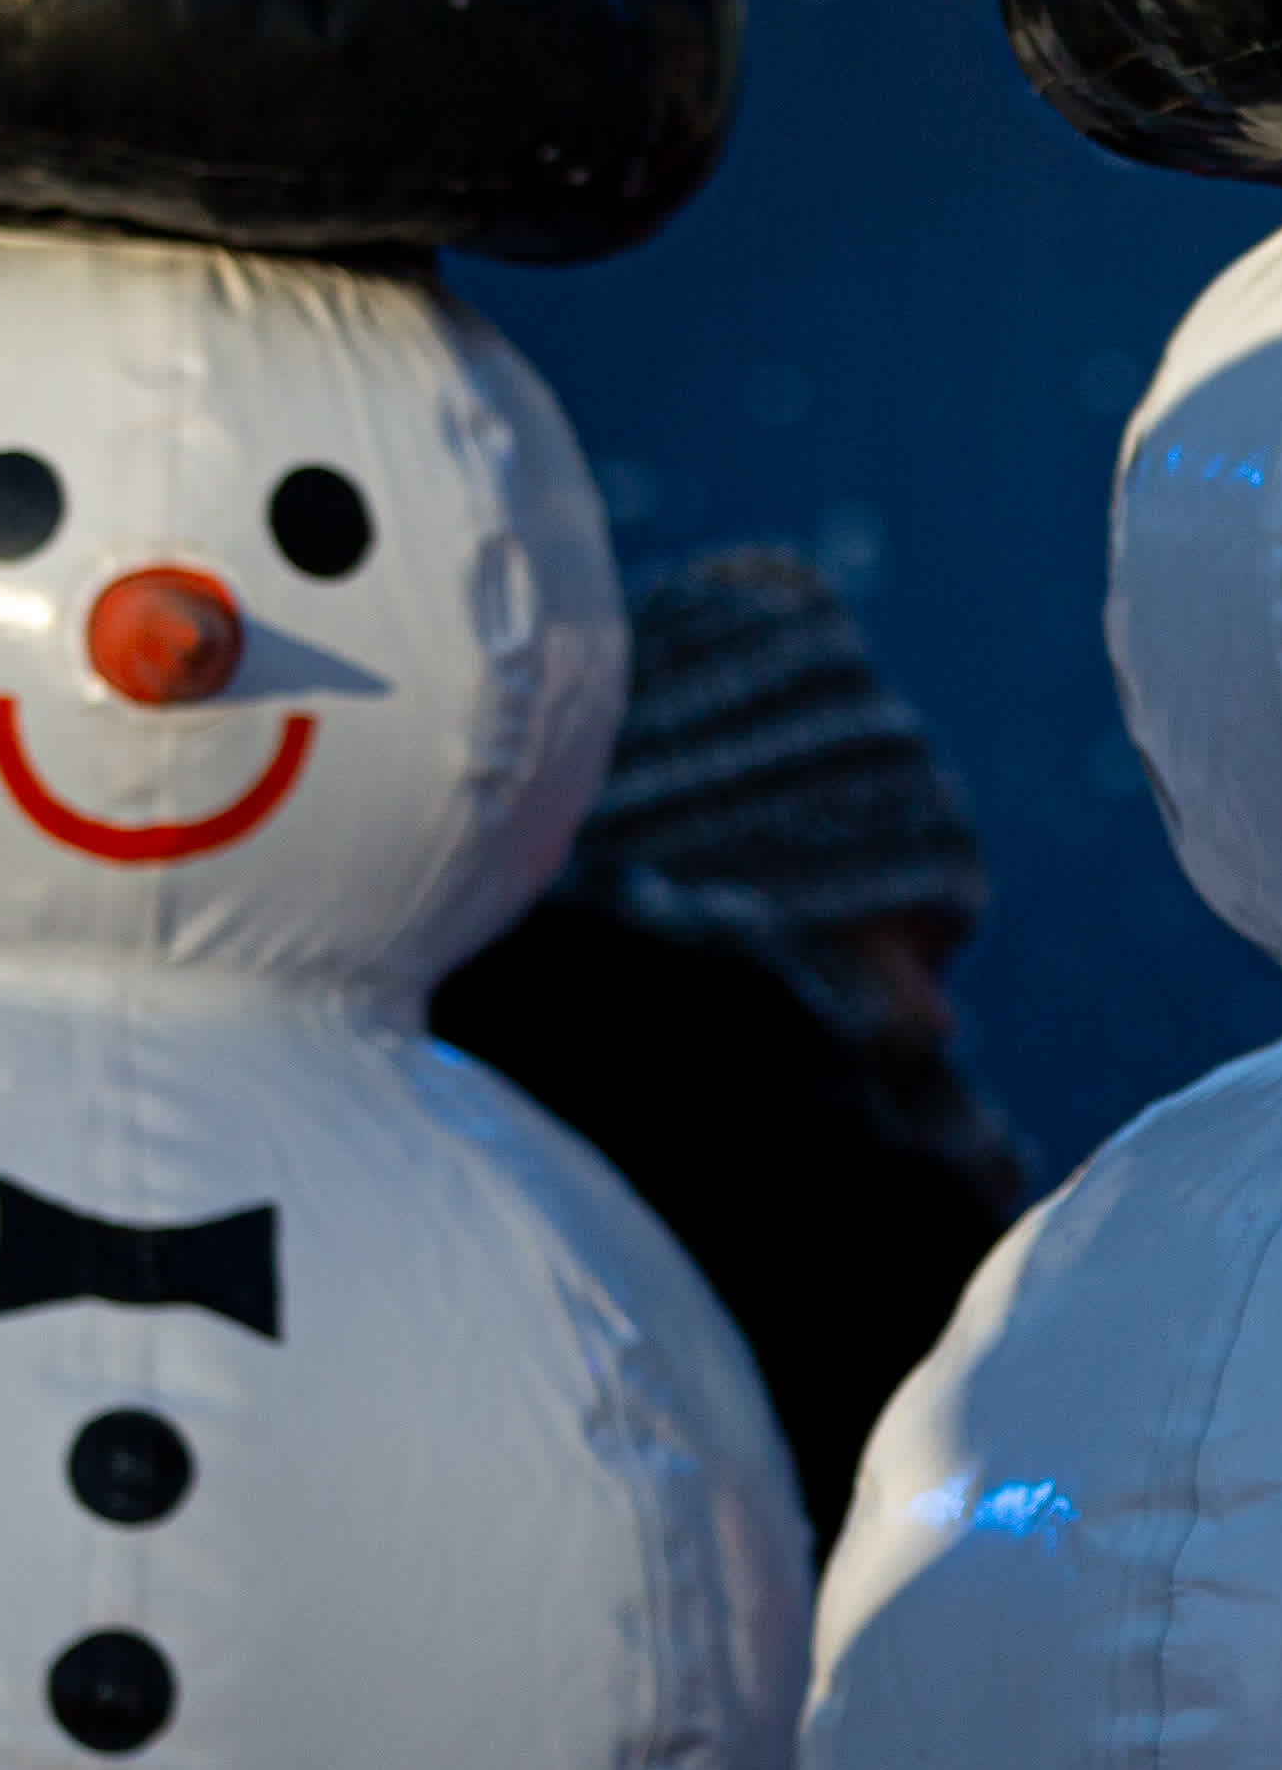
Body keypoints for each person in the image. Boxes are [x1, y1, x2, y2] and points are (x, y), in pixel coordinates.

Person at [434, 543, 1023, 1546]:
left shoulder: (453, 1130)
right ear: (783, 897)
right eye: (906, 952)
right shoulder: (785, 1179)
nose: (937, 1016)